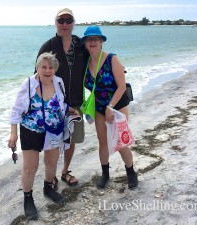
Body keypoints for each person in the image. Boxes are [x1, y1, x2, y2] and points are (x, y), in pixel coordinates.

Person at [8, 52, 79, 219]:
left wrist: (70, 110)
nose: (48, 70)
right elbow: (16, 110)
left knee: (51, 162)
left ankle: (48, 189)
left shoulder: (58, 82)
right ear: (38, 68)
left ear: (55, 69)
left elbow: (59, 102)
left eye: (51, 67)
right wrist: (13, 134)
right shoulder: (28, 84)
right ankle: (28, 198)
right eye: (44, 67)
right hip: (31, 130)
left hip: (54, 129)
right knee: (30, 167)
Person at [81, 26, 138, 189]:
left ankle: (131, 172)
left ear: (101, 42)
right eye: (89, 39)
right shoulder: (85, 64)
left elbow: (121, 87)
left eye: (95, 39)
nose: (92, 42)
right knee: (103, 142)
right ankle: (105, 174)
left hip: (117, 106)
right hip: (99, 107)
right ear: (85, 43)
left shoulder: (111, 59)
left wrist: (110, 107)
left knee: (120, 142)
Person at [37, 8, 86, 187]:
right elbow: (37, 76)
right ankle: (51, 176)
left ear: (73, 23)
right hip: (53, 106)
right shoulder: (48, 46)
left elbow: (94, 64)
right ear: (55, 23)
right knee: (52, 142)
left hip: (76, 103)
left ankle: (65, 171)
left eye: (68, 20)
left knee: (71, 140)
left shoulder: (81, 45)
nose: (64, 24)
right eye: (61, 20)